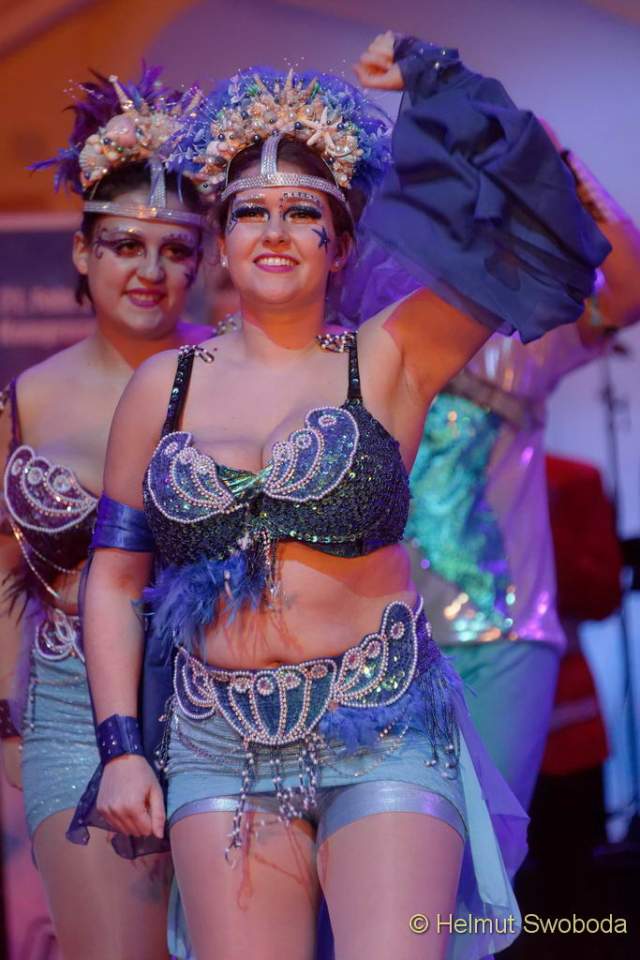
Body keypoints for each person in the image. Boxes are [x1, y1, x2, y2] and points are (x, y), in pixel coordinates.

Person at [74, 33, 608, 960]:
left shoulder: (392, 354)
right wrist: (121, 745)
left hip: (384, 727)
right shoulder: (163, 387)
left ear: (343, 242)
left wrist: (442, 83)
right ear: (220, 242)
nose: (275, 231)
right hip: (217, 743)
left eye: (303, 212)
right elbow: (116, 580)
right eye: (250, 211)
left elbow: (548, 238)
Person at [0, 67, 211, 960]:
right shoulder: (27, 399)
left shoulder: (231, 382)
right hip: (68, 709)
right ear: (84, 253)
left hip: (222, 704)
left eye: (175, 250)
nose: (150, 271)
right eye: (125, 245)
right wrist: (4, 723)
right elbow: (3, 579)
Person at [406, 134, 640, 811]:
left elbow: (628, 292)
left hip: (502, 635)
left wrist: (561, 166)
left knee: (489, 845)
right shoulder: (373, 328)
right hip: (383, 635)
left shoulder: (523, 339)